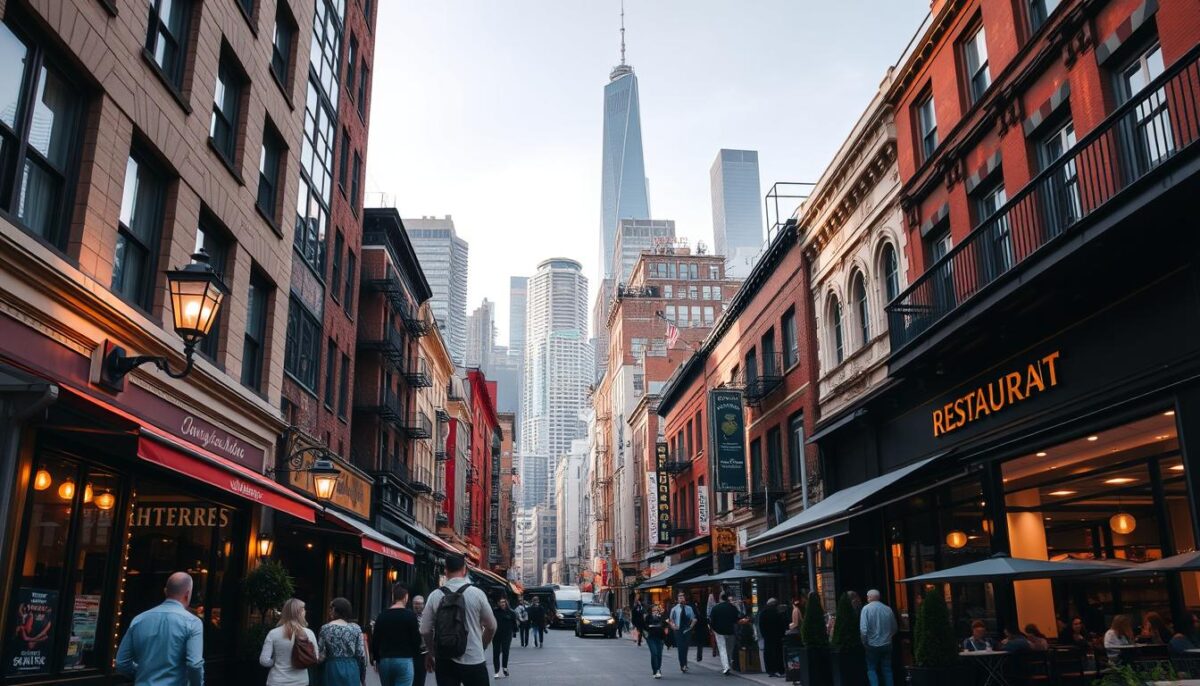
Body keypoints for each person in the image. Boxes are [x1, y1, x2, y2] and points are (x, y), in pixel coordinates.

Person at [418, 554, 497, 686]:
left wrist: (432, 652)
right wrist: (482, 645)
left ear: (445, 570)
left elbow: (425, 630)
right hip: (473, 658)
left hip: (445, 659)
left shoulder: (435, 595)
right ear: (464, 569)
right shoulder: (477, 594)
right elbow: (492, 626)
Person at [116, 572, 204, 686]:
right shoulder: (193, 623)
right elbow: (195, 665)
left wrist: (144, 673)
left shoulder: (139, 620)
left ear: (165, 591)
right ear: (187, 594)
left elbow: (121, 663)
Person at [372, 583, 423, 686]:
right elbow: (416, 640)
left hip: (385, 661)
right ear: (406, 597)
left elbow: (375, 640)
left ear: (393, 597)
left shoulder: (382, 616)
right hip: (404, 659)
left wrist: (376, 659)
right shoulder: (410, 616)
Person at [259, 598, 318, 686]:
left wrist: (275, 660)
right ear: (300, 612)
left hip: (277, 681)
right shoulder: (309, 633)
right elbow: (315, 657)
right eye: (304, 609)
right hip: (300, 681)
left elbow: (264, 660)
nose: (305, 611)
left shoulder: (273, 633)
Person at [319, 597, 367, 686]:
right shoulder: (355, 628)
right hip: (351, 667)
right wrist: (363, 677)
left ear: (335, 610)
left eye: (331, 608)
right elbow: (361, 654)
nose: (329, 611)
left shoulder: (326, 628)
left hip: (332, 666)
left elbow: (321, 653)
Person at [859, 589, 897, 686]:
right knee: (887, 669)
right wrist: (889, 637)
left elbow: (863, 629)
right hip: (887, 644)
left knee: (871, 669)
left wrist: (864, 642)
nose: (867, 598)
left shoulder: (866, 609)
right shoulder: (888, 609)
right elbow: (894, 627)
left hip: (872, 644)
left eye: (868, 597)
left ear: (870, 597)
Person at [709, 593, 740, 675]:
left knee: (722, 649)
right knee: (730, 649)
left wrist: (713, 629)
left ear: (720, 598)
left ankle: (726, 667)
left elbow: (712, 621)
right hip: (730, 631)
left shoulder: (716, 608)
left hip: (719, 632)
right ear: (727, 599)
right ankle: (729, 664)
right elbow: (737, 619)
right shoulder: (732, 608)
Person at [668, 592, 697, 673]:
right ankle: (682, 665)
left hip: (687, 630)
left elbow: (694, 619)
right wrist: (673, 626)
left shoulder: (689, 608)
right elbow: (671, 620)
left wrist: (691, 626)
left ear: (685, 599)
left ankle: (685, 663)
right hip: (678, 630)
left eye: (683, 597)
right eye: (680, 597)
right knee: (681, 648)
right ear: (677, 599)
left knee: (686, 647)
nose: (681, 598)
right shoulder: (674, 609)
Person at [760, 598, 788, 678]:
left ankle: (770, 670)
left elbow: (761, 626)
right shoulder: (778, 613)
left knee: (768, 653)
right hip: (777, 637)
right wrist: (782, 635)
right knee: (778, 654)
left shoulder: (763, 613)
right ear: (775, 604)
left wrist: (764, 635)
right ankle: (780, 670)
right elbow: (782, 625)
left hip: (768, 637)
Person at [491, 597, 516, 678]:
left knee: (505, 651)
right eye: (501, 602)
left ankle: (504, 668)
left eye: (504, 602)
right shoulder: (494, 612)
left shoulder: (511, 612)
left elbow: (514, 624)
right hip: (496, 635)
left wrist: (514, 631)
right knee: (496, 653)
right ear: (498, 603)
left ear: (506, 603)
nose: (502, 604)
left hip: (507, 635)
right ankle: (496, 671)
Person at [644, 602, 667, 679]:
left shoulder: (662, 617)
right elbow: (645, 627)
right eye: (653, 610)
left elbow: (666, 626)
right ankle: (655, 670)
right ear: (651, 611)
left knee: (659, 655)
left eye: (657, 610)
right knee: (654, 653)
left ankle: (658, 670)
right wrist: (649, 629)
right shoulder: (648, 617)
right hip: (651, 638)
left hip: (660, 638)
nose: (655, 611)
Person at [412, 596, 428, 686]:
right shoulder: (409, 616)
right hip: (411, 652)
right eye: (416, 603)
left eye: (420, 603)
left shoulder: (427, 618)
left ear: (424, 605)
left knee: (420, 679)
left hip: (423, 652)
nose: (418, 606)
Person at [692, 598, 708, 663]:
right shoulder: (703, 614)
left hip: (698, 630)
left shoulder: (696, 614)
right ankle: (699, 656)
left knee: (699, 644)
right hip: (702, 630)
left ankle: (699, 656)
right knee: (700, 644)